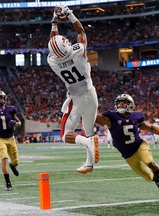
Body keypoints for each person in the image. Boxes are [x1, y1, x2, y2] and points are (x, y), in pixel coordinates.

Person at [95, 94, 159, 199]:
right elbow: (94, 118)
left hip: (139, 145)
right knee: (148, 177)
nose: (120, 105)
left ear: (130, 105)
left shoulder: (136, 116)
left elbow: (151, 127)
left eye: (123, 103)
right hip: (128, 155)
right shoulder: (111, 117)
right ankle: (156, 179)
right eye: (118, 103)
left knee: (149, 162)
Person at [47, 5, 99, 174]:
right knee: (89, 130)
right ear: (68, 45)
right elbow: (81, 33)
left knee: (65, 134)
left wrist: (54, 22)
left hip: (76, 99)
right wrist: (69, 14)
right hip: (91, 93)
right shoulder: (78, 51)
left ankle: (87, 144)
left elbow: (53, 42)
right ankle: (89, 163)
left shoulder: (53, 62)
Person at [0, 90, 22, 191]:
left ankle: (12, 166)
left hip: (11, 138)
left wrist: (16, 124)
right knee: (4, 158)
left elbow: (19, 122)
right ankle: (8, 182)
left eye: (1, 98)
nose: (0, 100)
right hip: (0, 139)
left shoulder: (11, 109)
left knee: (16, 162)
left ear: (4, 99)